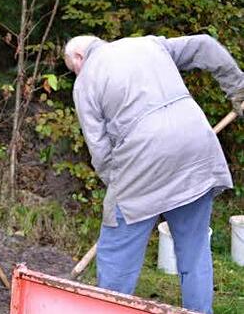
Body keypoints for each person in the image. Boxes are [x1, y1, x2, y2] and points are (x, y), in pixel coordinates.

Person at [64, 34, 244, 314]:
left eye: (72, 68)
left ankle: (109, 308)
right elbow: (205, 45)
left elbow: (99, 151)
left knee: (116, 254)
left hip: (142, 157)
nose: (76, 73)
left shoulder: (86, 79)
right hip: (196, 148)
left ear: (78, 58)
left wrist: (122, 190)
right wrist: (239, 89)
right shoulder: (149, 44)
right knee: (194, 252)